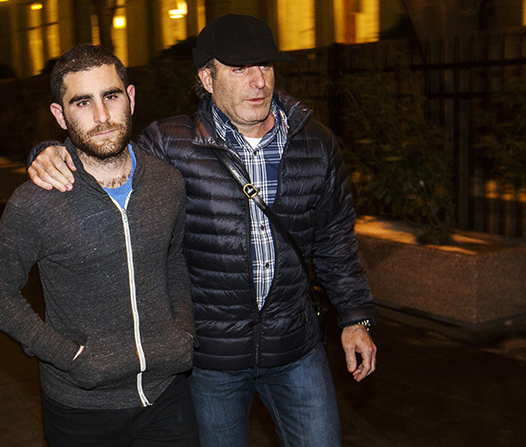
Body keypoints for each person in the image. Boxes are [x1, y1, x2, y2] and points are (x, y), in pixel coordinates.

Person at [27, 14, 378, 447]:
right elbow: (104, 150)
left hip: (295, 347)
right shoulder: (170, 144)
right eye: (239, 69)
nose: (258, 81)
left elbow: (334, 238)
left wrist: (354, 317)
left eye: (265, 66)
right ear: (207, 78)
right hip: (211, 357)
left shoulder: (316, 142)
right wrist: (48, 152)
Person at [0, 44, 199, 447]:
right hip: (81, 410)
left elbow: (174, 261)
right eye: (82, 102)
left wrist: (181, 332)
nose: (101, 117)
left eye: (111, 96)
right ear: (60, 115)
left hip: (169, 397)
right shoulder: (37, 200)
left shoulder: (167, 184)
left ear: (130, 98)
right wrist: (70, 357)